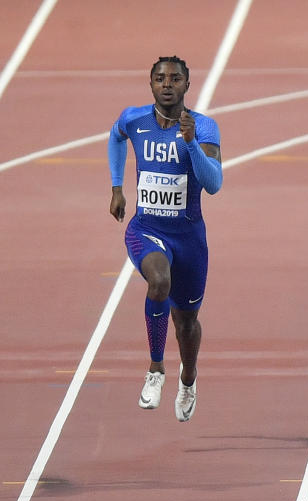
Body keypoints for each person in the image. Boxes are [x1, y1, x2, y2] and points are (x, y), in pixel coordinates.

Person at [108, 55, 223, 422]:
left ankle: (187, 378)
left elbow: (214, 184)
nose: (167, 84)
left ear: (187, 85)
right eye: (160, 78)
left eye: (175, 78)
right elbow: (115, 136)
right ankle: (155, 370)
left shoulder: (203, 127)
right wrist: (116, 187)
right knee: (158, 281)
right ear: (151, 85)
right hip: (147, 229)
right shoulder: (134, 119)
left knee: (186, 324)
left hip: (189, 239)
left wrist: (189, 143)